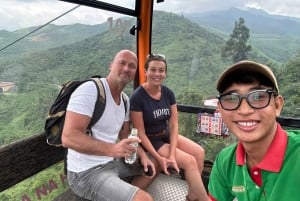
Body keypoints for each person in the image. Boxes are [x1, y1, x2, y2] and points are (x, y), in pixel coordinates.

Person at [61, 50, 156, 201]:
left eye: (132, 66)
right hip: (85, 172)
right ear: (111, 65)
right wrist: (112, 149)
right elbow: (69, 137)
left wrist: (143, 156)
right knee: (144, 199)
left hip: (111, 162)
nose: (126, 68)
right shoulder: (91, 90)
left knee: (152, 163)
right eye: (122, 63)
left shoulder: (125, 100)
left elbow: (125, 134)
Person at [208, 60, 300, 201]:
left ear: (277, 105)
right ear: (220, 109)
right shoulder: (225, 161)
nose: (244, 110)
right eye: (231, 99)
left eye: (258, 97)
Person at [130, 53, 208, 201]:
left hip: (165, 133)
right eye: (153, 70)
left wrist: (172, 155)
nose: (157, 74)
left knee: (199, 152)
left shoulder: (168, 93)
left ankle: (193, 194)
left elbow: (173, 124)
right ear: (145, 71)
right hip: (151, 140)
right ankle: (203, 198)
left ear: (165, 73)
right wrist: (159, 158)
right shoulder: (138, 97)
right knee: (189, 161)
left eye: (161, 70)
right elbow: (140, 132)